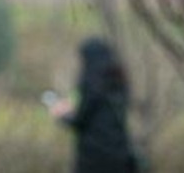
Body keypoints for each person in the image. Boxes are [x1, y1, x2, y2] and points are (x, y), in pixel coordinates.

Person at [50, 37, 141, 173]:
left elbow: (81, 121)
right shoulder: (119, 81)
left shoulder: (90, 83)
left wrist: (62, 115)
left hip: (93, 158)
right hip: (120, 154)